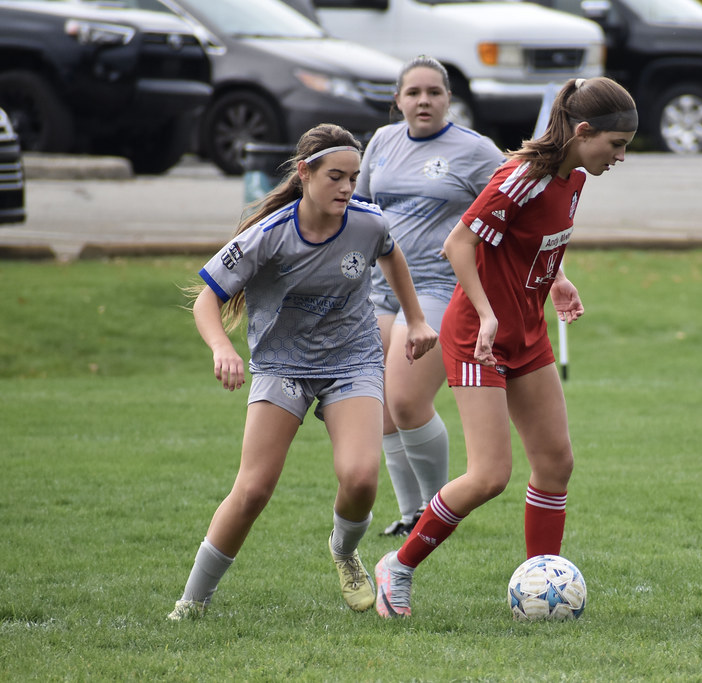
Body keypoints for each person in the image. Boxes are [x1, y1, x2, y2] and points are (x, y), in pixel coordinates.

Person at [373, 76, 638, 618]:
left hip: (527, 332)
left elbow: (529, 243)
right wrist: (489, 314)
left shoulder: (574, 177)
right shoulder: (523, 177)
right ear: (584, 132)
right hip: (479, 336)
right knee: (490, 474)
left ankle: (544, 587)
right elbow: (459, 243)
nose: (620, 157)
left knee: (556, 463)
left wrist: (556, 278)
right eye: (617, 145)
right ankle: (396, 568)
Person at [167, 123, 438, 621]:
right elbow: (207, 300)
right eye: (335, 176)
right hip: (282, 364)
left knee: (359, 478)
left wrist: (416, 318)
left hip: (351, 360)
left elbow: (391, 255)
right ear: (304, 172)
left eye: (353, 178)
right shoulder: (267, 236)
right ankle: (192, 601)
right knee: (252, 490)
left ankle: (344, 552)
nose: (346, 188)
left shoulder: (366, 223)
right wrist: (220, 347)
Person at [355, 55, 506, 538]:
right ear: (397, 99)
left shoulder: (475, 150)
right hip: (379, 289)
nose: (424, 101)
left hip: (441, 288)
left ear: (449, 99)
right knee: (380, 406)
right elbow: (357, 209)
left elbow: (521, 207)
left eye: (434, 92)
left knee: (405, 399)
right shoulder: (381, 141)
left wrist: (556, 272)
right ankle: (409, 515)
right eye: (413, 92)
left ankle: (441, 511)